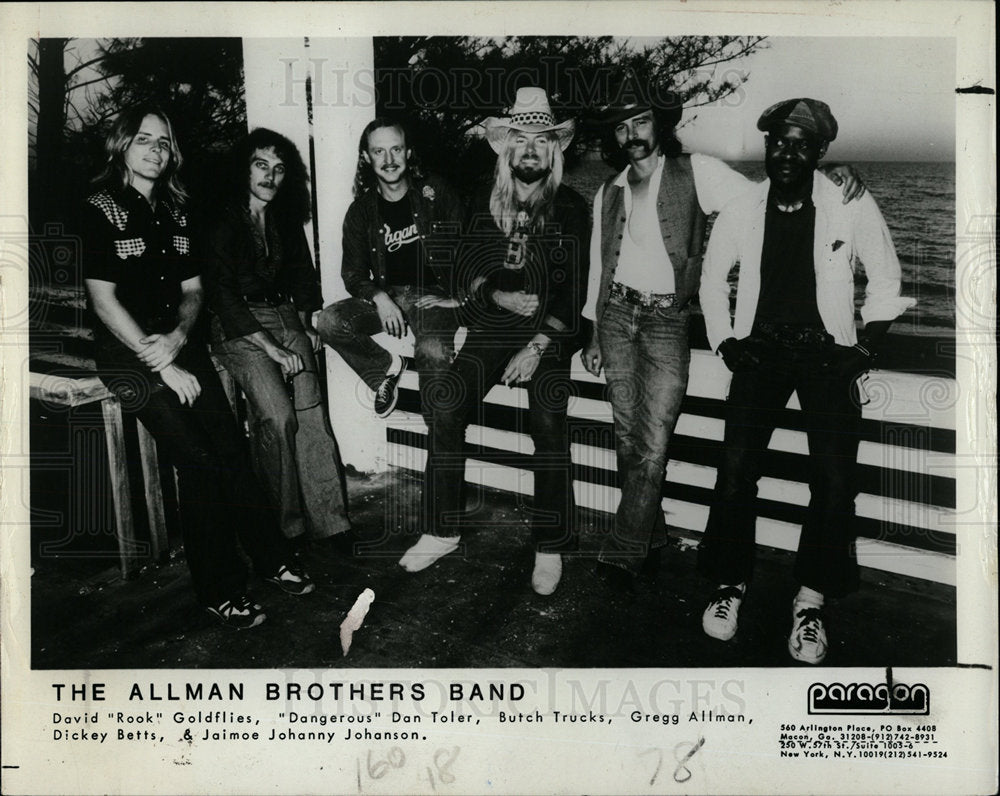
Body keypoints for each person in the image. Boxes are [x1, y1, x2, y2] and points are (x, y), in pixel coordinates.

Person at [580, 85, 864, 589]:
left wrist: (828, 173)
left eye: (640, 122)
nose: (631, 135)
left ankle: (625, 550)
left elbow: (767, 196)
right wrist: (594, 331)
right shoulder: (610, 190)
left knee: (653, 440)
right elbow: (599, 266)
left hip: (668, 322)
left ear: (658, 124)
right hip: (617, 318)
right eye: (621, 127)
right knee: (628, 437)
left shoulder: (699, 172)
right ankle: (649, 535)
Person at [696, 98, 915, 663]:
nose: (786, 153)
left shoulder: (847, 201)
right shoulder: (744, 203)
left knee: (836, 483)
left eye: (800, 144)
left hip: (828, 356)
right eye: (778, 141)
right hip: (759, 351)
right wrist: (725, 342)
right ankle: (729, 587)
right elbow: (712, 279)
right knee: (736, 471)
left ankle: (811, 601)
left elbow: (887, 277)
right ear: (766, 147)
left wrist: (863, 349)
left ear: (820, 153)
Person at [82, 107, 313, 630]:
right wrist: (158, 359)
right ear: (122, 146)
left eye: (164, 143)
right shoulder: (98, 209)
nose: (155, 151)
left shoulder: (177, 209)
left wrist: (182, 337)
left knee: (231, 448)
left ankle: (271, 557)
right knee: (201, 459)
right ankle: (220, 589)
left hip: (177, 344)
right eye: (144, 140)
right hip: (127, 358)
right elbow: (102, 300)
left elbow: (193, 290)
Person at [398, 87, 590, 596]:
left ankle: (550, 545)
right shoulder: (487, 203)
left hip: (550, 333)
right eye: (521, 138)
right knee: (446, 404)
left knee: (548, 422)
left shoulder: (572, 207)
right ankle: (441, 529)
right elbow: (466, 273)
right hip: (493, 328)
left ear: (553, 150)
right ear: (507, 148)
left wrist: (537, 346)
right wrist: (497, 297)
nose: (530, 148)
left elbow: (574, 296)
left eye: (541, 140)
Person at [205, 128, 352, 551]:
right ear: (243, 168)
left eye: (279, 168)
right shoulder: (223, 218)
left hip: (285, 315)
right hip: (237, 326)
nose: (270, 176)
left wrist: (304, 324)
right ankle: (283, 530)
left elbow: (304, 277)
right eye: (261, 164)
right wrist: (272, 348)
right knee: (277, 416)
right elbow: (221, 294)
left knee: (310, 415)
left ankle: (331, 523)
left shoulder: (284, 218)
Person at [316, 118, 463, 420]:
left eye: (396, 149)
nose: (389, 160)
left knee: (433, 351)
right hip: (389, 294)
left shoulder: (435, 191)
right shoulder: (361, 211)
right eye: (379, 152)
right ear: (367, 158)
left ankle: (438, 433)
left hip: (433, 296)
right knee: (329, 321)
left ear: (408, 153)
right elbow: (353, 274)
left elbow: (468, 246)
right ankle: (385, 370)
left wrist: (461, 296)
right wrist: (381, 298)